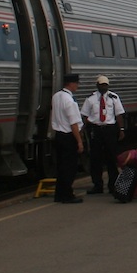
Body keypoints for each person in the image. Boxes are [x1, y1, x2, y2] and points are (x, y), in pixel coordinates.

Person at [80, 75, 125, 194]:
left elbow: (119, 114)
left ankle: (113, 185)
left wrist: (121, 129)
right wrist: (84, 128)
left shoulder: (114, 97)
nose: (103, 87)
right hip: (96, 129)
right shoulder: (91, 99)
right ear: (97, 85)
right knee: (95, 158)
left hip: (110, 129)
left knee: (111, 158)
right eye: (101, 85)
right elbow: (84, 114)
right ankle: (97, 185)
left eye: (105, 85)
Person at [51, 73, 84, 204]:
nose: (77, 86)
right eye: (76, 83)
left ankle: (59, 194)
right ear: (71, 84)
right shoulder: (70, 101)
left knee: (61, 167)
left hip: (58, 135)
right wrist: (79, 141)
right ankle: (67, 195)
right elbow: (74, 124)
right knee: (70, 168)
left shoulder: (56, 96)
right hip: (69, 136)